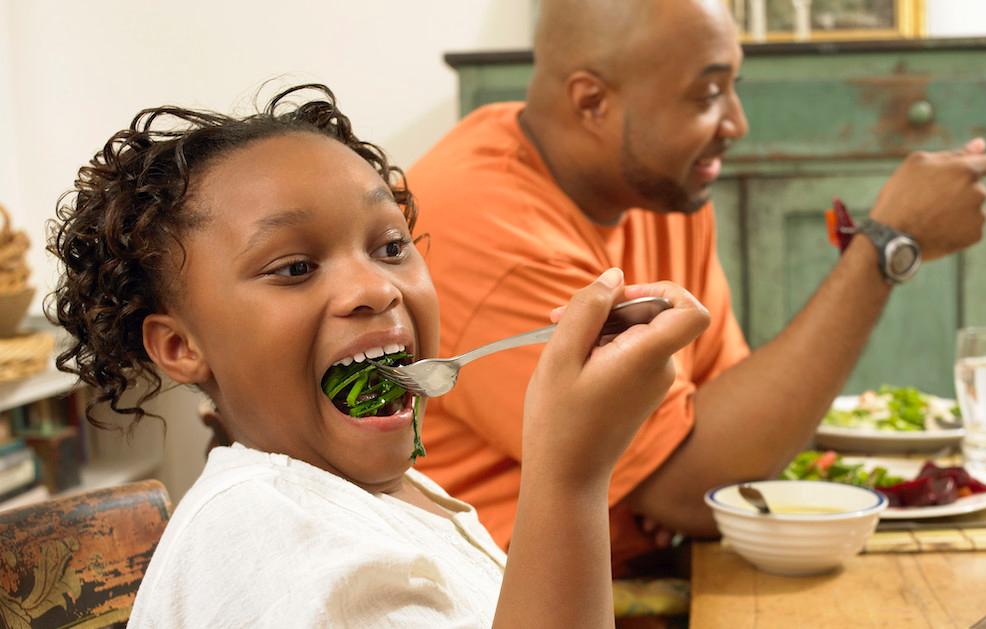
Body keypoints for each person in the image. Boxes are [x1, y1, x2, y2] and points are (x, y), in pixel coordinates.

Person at [47, 83, 709, 627]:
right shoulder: (271, 546)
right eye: (297, 266)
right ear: (180, 346)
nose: (374, 288)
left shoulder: (364, 493)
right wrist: (570, 474)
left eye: (390, 246)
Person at [407, 0, 986, 570]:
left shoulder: (656, 180)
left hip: (642, 567)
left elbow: (734, 431)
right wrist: (885, 246)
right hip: (505, 593)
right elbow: (700, 489)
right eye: (706, 94)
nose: (737, 122)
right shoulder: (486, 229)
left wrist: (695, 464)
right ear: (592, 102)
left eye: (734, 86)